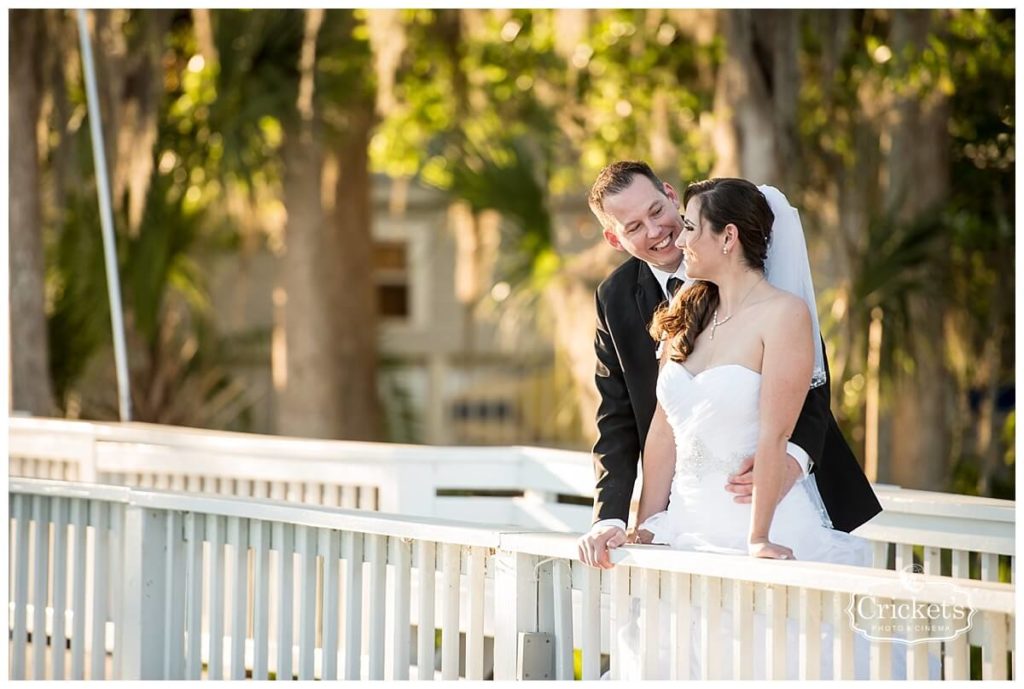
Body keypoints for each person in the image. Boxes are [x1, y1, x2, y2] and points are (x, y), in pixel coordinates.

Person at [577, 162, 880, 569]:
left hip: (774, 497)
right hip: (686, 515)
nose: (658, 232)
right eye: (633, 227)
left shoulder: (762, 270)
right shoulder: (618, 299)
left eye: (656, 211)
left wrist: (792, 461)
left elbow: (810, 382)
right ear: (614, 238)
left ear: (670, 194)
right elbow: (622, 419)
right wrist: (622, 520)